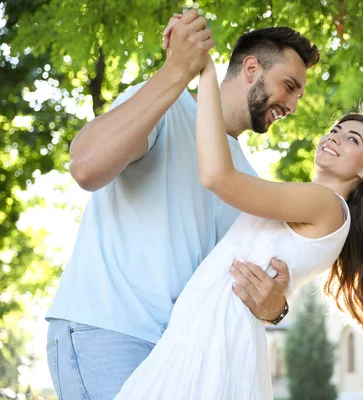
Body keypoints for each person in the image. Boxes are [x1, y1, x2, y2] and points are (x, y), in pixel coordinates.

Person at [45, 10, 320, 400]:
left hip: (177, 357)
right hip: (108, 331)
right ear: (252, 68)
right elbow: (86, 167)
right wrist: (179, 69)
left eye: (298, 95)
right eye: (289, 86)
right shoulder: (165, 107)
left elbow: (240, 287)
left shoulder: (247, 181)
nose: (292, 105)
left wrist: (275, 309)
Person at [114, 52, 363, 399]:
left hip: (214, 341)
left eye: (352, 139)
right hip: (201, 335)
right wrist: (278, 309)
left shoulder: (325, 204)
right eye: (335, 130)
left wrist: (206, 73)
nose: (335, 137)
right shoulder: (308, 204)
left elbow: (217, 176)